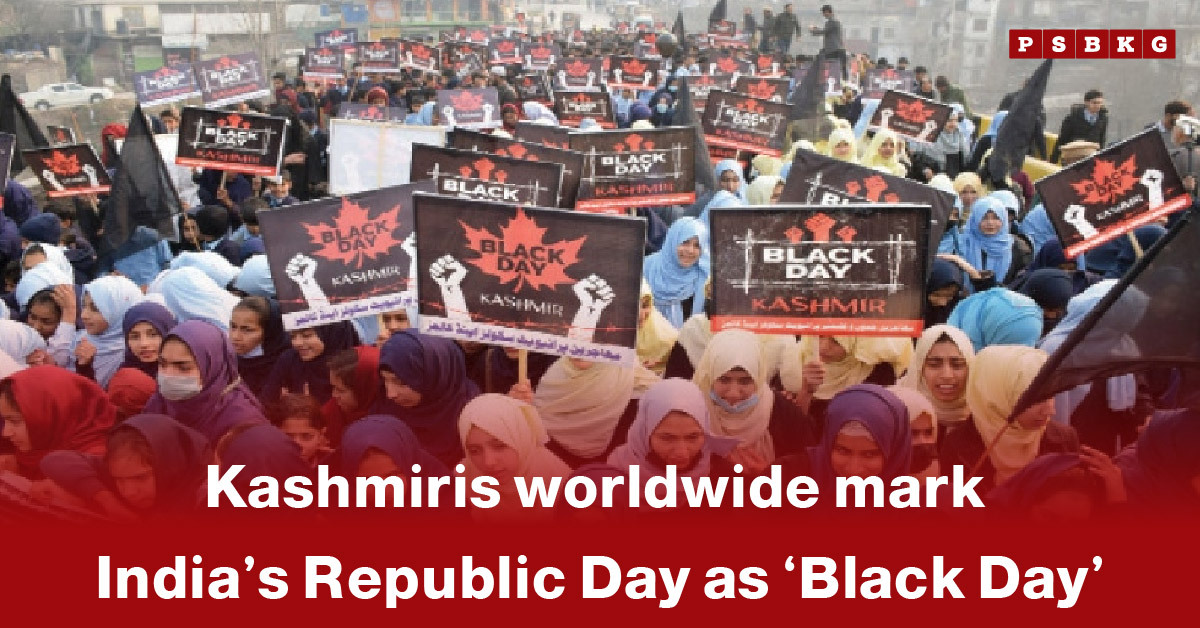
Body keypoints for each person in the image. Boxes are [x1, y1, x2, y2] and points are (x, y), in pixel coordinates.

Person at [939, 345, 1079, 494]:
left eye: (1052, 395)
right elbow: (954, 506)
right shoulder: (958, 447)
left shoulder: (1064, 440)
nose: (1050, 410)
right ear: (996, 393)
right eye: (1037, 399)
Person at [37, 413, 210, 520]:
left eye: (141, 478)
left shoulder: (209, 490)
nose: (129, 492)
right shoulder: (122, 468)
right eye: (119, 480)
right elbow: (54, 461)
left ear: (169, 464)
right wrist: (106, 500)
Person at [694, 330, 817, 473]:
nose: (734, 393)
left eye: (745, 381)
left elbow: (806, 466)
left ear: (758, 378)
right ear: (710, 376)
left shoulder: (782, 412)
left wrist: (768, 473)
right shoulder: (693, 412)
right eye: (724, 380)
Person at [143, 320, 268, 442]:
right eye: (162, 364)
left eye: (183, 367)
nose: (168, 375)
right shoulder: (158, 404)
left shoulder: (242, 425)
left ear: (212, 367)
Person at [459, 394, 570, 522]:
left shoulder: (560, 483)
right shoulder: (462, 480)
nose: (489, 462)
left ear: (521, 438)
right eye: (474, 451)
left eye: (500, 446)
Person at [781, 384, 911, 491]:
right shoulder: (786, 478)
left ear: (895, 449)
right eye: (842, 451)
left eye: (869, 454)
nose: (854, 469)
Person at [378, 330, 478, 466]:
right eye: (385, 380)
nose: (390, 394)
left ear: (437, 374)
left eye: (401, 382)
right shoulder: (384, 411)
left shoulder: (477, 420)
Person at [607, 377, 738, 480]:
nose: (682, 453)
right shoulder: (615, 476)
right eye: (667, 438)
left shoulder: (723, 477)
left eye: (692, 437)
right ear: (644, 433)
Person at [0, 366, 116, 479]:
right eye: (5, 420)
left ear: (55, 414)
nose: (5, 432)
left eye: (15, 421)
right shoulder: (37, 448)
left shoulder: (96, 466)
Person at [780, 335, 912, 423]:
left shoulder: (879, 373)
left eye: (836, 341)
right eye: (820, 336)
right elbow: (795, 431)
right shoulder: (795, 364)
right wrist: (805, 393)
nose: (824, 347)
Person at [897, 325, 975, 436]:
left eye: (957, 365)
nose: (947, 375)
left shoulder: (986, 416)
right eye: (934, 365)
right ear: (919, 368)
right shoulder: (896, 411)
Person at [260, 321, 359, 405]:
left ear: (332, 333)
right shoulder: (289, 359)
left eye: (306, 335)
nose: (297, 343)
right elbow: (266, 402)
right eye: (292, 336)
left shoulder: (354, 365)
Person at [76, 276, 144, 388]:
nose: (84, 315)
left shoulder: (132, 355)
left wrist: (85, 367)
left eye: (95, 308)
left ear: (119, 311)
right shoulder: (79, 338)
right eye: (83, 305)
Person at [642, 218, 709, 328]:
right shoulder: (647, 268)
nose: (690, 250)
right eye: (685, 242)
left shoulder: (704, 277)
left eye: (697, 245)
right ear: (672, 240)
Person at [322, 346, 382, 447]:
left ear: (364, 389)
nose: (334, 395)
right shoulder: (330, 413)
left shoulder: (391, 425)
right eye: (333, 387)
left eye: (341, 390)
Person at [119, 301, 177, 379]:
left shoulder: (186, 373)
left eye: (153, 334)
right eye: (135, 337)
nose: (144, 344)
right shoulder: (124, 379)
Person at [1050, 89, 1107, 163]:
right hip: (1074, 156)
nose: (1097, 106)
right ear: (1086, 103)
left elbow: (1102, 139)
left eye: (1100, 103)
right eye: (1094, 103)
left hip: (1091, 156)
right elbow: (1062, 139)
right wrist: (1054, 159)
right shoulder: (1072, 118)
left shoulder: (1103, 118)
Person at [636, 282, 679, 375]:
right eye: (634, 307)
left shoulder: (669, 339)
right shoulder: (607, 336)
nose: (641, 315)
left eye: (645, 306)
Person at [809, 5, 846, 80]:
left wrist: (813, 30)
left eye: (824, 13)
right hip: (837, 49)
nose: (823, 15)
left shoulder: (832, 22)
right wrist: (816, 28)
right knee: (840, 69)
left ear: (828, 12)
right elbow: (826, 30)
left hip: (833, 49)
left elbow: (824, 31)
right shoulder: (834, 22)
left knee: (832, 69)